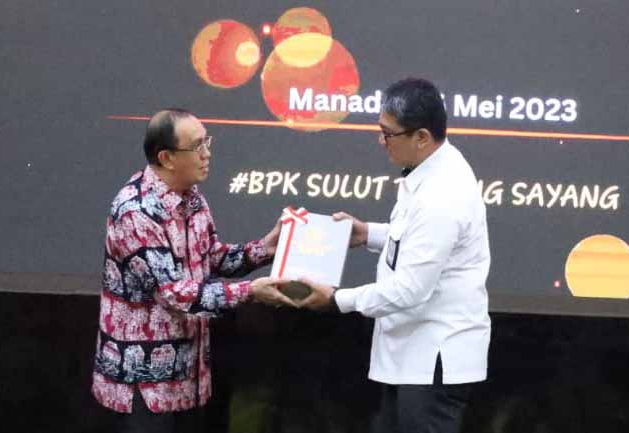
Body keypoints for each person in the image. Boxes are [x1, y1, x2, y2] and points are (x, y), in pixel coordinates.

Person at [298, 78, 491, 433]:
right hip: (414, 355)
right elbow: (421, 241)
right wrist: (368, 234)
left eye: (388, 134)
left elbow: (411, 288)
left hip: (433, 359)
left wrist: (338, 300)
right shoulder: (431, 168)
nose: (381, 141)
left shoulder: (442, 194)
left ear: (421, 137)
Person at [91, 109, 295, 432]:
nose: (207, 153)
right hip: (144, 386)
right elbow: (174, 293)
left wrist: (266, 249)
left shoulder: (192, 199)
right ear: (167, 158)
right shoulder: (136, 211)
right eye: (197, 146)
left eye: (207, 142)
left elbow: (211, 258)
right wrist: (251, 291)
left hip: (189, 380)